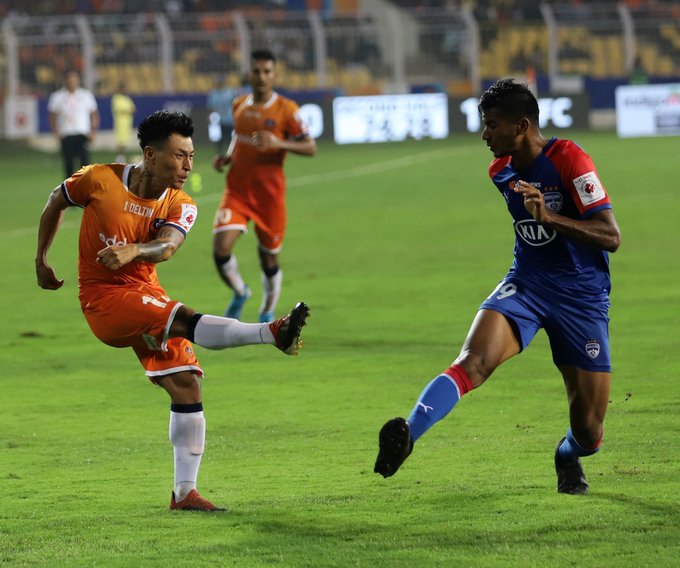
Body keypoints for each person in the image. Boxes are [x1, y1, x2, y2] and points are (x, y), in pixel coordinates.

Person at [36, 110, 310, 512]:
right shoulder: (99, 179)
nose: (187, 166)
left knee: (186, 384)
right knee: (181, 319)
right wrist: (41, 260)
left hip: (145, 293)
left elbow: (167, 247)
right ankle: (272, 333)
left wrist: (134, 250)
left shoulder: (181, 203)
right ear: (150, 154)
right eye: (179, 155)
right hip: (103, 299)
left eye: (191, 156)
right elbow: (55, 201)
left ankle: (184, 494)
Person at [374, 79, 622, 496]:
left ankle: (566, 454)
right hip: (525, 285)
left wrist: (550, 218)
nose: (484, 134)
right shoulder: (500, 170)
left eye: (492, 124)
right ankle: (409, 434)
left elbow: (611, 236)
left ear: (521, 126)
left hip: (581, 298)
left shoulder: (570, 159)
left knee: (589, 431)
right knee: (472, 362)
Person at [212, 49, 316, 323]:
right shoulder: (239, 104)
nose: (261, 77)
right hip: (237, 190)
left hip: (269, 196)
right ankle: (240, 292)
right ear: (249, 74)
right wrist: (228, 156)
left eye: (266, 72)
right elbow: (238, 136)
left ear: (274, 75)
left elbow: (310, 146)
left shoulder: (287, 109)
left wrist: (279, 142)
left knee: (268, 258)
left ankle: (267, 311)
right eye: (256, 71)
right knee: (221, 249)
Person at [48, 70, 100, 179]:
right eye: (70, 80)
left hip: (82, 134)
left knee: (85, 167)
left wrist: (93, 131)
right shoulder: (57, 97)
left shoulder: (86, 95)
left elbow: (94, 114)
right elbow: (53, 116)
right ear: (65, 81)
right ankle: (70, 188)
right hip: (66, 135)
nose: (72, 82)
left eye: (74, 80)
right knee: (68, 166)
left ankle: (85, 188)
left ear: (78, 81)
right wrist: (56, 132)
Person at [206, 75, 238, 156]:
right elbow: (210, 107)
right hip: (217, 121)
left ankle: (231, 154)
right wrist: (210, 116)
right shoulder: (213, 94)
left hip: (228, 120)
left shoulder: (230, 92)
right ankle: (219, 155)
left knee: (230, 139)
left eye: (220, 82)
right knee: (219, 140)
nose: (219, 83)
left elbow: (235, 104)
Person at [111, 83, 136, 163]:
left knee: (124, 141)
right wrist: (127, 111)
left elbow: (133, 109)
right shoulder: (116, 98)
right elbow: (119, 110)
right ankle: (119, 157)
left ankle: (121, 157)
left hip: (127, 123)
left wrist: (127, 111)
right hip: (120, 123)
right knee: (120, 141)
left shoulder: (127, 98)